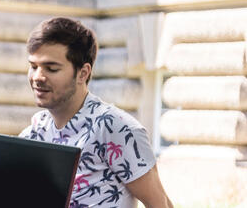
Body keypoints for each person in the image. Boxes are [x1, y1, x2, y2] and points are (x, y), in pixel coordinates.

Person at [17, 17, 172, 208]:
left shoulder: (115, 127)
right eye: (33, 67)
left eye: (51, 68)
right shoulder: (34, 131)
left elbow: (160, 204)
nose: (38, 77)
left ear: (83, 73)